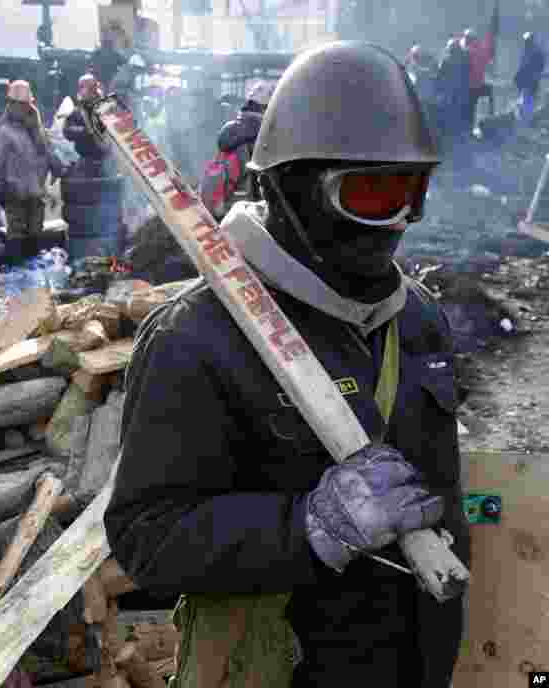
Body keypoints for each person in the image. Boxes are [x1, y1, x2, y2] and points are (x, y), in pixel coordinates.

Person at [105, 41, 468, 688]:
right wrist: (307, 527)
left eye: (413, 192)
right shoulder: (197, 339)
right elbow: (146, 537)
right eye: (373, 193)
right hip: (282, 668)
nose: (400, 222)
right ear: (289, 187)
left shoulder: (417, 320)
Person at [0, 80, 65, 257]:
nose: (24, 108)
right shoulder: (0, 130)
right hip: (14, 192)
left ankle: (32, 272)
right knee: (16, 235)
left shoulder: (35, 128)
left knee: (35, 234)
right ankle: (16, 273)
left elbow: (47, 150)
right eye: (20, 105)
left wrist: (57, 167)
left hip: (35, 192)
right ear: (10, 104)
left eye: (26, 104)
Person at [199, 79, 272, 219]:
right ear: (267, 107)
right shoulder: (265, 132)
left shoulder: (231, 129)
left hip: (224, 206)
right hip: (248, 212)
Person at [461, 2, 499, 127]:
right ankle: (491, 115)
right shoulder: (480, 49)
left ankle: (468, 127)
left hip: (468, 88)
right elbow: (489, 41)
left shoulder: (466, 51)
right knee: (489, 91)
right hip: (477, 86)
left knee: (469, 108)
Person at [63, 74, 107, 177]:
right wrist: (86, 131)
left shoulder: (106, 106)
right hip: (87, 159)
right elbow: (67, 131)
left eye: (92, 87)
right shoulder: (77, 110)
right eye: (85, 87)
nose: (91, 91)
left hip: (108, 160)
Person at [435, 37, 472, 144]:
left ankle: (447, 135)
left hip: (449, 91)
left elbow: (440, 77)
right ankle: (459, 135)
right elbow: (468, 74)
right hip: (462, 91)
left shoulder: (446, 60)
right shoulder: (465, 59)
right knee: (459, 113)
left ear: (450, 49)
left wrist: (438, 90)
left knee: (447, 112)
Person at [515, 32, 545, 126]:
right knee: (526, 104)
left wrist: (519, 78)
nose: (525, 42)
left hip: (530, 84)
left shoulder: (532, 53)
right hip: (530, 83)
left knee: (527, 105)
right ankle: (526, 123)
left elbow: (525, 68)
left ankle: (525, 124)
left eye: (526, 40)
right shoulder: (533, 52)